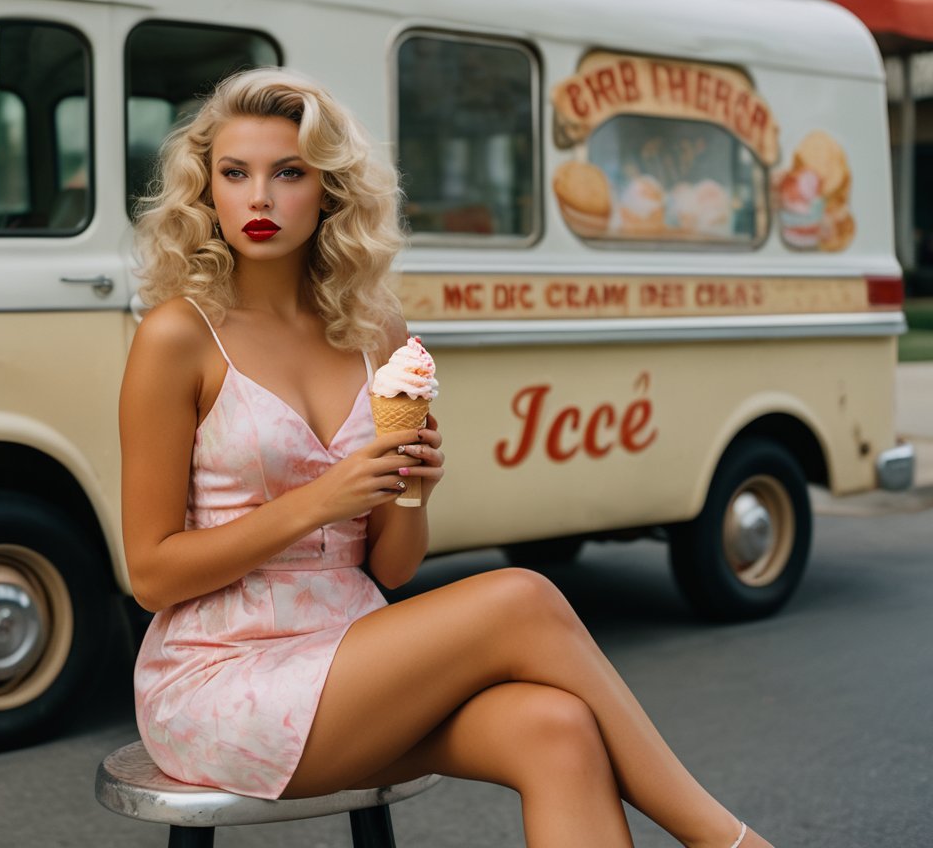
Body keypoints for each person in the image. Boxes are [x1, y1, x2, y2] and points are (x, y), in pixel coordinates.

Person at [119, 68, 770, 848]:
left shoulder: (377, 334)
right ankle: (722, 839)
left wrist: (413, 492)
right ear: (206, 191)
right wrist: (320, 501)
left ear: (326, 190)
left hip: (350, 653)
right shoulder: (178, 335)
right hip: (220, 680)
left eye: (287, 172)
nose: (259, 198)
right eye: (235, 174)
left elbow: (391, 570)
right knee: (522, 598)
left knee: (556, 727)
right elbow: (151, 572)